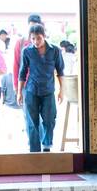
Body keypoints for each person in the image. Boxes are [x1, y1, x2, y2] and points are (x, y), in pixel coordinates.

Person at [17, 22, 64, 153]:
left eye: (38, 38)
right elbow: (22, 72)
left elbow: (60, 71)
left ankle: (47, 144)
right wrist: (19, 92)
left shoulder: (55, 50)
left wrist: (62, 90)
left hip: (48, 91)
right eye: (33, 39)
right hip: (31, 90)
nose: (36, 41)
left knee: (50, 119)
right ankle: (34, 150)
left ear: (44, 36)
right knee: (32, 122)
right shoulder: (27, 51)